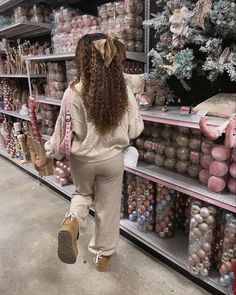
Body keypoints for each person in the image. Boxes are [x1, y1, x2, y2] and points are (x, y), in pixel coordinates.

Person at [35, 33, 144, 270]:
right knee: (108, 207)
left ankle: (72, 222)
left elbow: (60, 133)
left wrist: (48, 155)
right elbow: (135, 129)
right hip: (112, 160)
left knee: (82, 195)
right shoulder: (123, 91)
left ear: (82, 60)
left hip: (82, 161)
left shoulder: (72, 92)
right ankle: (102, 255)